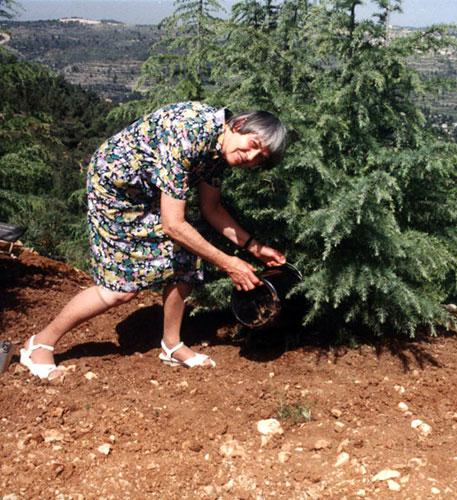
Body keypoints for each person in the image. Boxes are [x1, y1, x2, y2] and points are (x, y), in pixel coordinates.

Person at [20, 101, 287, 379]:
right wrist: (229, 263)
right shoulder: (190, 133)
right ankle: (39, 343)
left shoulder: (220, 148)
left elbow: (212, 208)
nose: (251, 155)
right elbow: (173, 225)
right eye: (253, 144)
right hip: (114, 189)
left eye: (260, 157)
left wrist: (255, 248)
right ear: (240, 125)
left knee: (186, 261)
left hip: (147, 194)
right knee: (119, 290)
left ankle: (171, 345)